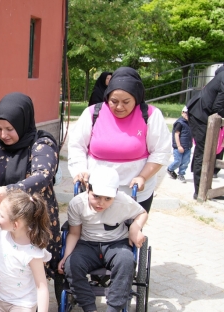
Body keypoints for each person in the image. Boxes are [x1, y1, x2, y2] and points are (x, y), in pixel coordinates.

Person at [0, 92, 62, 293]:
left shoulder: (42, 144)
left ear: (23, 122)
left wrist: (9, 191)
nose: (3, 135)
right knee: (3, 265)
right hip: (0, 217)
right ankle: (6, 305)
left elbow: (42, 176)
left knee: (30, 272)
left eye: (9, 129)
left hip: (31, 221)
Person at [58, 166, 147, 312]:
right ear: (88, 189)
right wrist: (66, 256)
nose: (101, 203)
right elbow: (74, 233)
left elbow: (142, 213)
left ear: (116, 193)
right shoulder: (78, 203)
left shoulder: (123, 201)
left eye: (108, 198)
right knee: (71, 264)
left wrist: (135, 227)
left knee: (126, 260)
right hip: (87, 243)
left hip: (116, 243)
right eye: (96, 196)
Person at [68, 67, 172, 213]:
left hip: (134, 189)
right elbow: (77, 145)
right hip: (97, 190)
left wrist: (143, 177)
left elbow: (161, 151)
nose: (119, 107)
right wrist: (80, 170)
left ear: (136, 98)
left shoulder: (150, 115)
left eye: (126, 101)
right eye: (114, 101)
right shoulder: (93, 113)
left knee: (130, 232)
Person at [187, 66, 224, 196]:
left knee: (207, 152)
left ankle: (204, 189)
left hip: (205, 112)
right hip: (200, 113)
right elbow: (218, 106)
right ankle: (199, 191)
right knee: (202, 152)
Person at [166, 106, 192, 183]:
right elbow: (176, 135)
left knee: (185, 162)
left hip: (187, 146)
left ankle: (181, 174)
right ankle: (170, 169)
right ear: (182, 113)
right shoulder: (179, 123)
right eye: (186, 113)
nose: (187, 115)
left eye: (189, 113)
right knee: (178, 161)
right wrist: (179, 146)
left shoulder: (190, 123)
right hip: (179, 147)